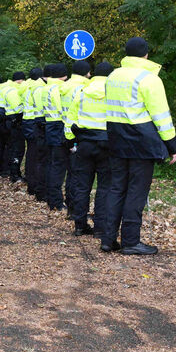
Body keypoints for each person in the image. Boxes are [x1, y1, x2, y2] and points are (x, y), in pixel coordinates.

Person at [102, 37, 176, 255]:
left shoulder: (113, 76)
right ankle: (130, 241)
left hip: (116, 138)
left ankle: (108, 240)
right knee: (136, 192)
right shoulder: (149, 79)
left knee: (116, 188)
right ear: (146, 54)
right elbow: (161, 116)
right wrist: (171, 145)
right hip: (140, 143)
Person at [65, 61, 114, 236]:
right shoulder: (114, 94)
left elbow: (70, 120)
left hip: (85, 144)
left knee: (82, 185)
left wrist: (71, 141)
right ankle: (100, 228)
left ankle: (80, 225)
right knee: (105, 187)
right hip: (107, 145)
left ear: (94, 75)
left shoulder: (82, 93)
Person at [60, 61, 92, 212]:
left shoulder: (63, 86)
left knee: (69, 171)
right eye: (89, 72)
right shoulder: (83, 88)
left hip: (64, 129)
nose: (90, 75)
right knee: (77, 173)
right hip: (77, 132)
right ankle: (74, 208)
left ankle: (69, 202)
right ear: (85, 73)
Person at [42, 63, 69, 212]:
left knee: (52, 164)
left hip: (49, 125)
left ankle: (51, 198)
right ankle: (57, 201)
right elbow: (61, 109)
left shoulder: (46, 87)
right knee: (58, 166)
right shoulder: (59, 88)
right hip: (58, 126)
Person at [21, 67, 46, 197]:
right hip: (35, 122)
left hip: (27, 121)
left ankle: (31, 182)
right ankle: (35, 185)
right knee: (37, 155)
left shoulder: (26, 86)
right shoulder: (40, 88)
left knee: (31, 153)